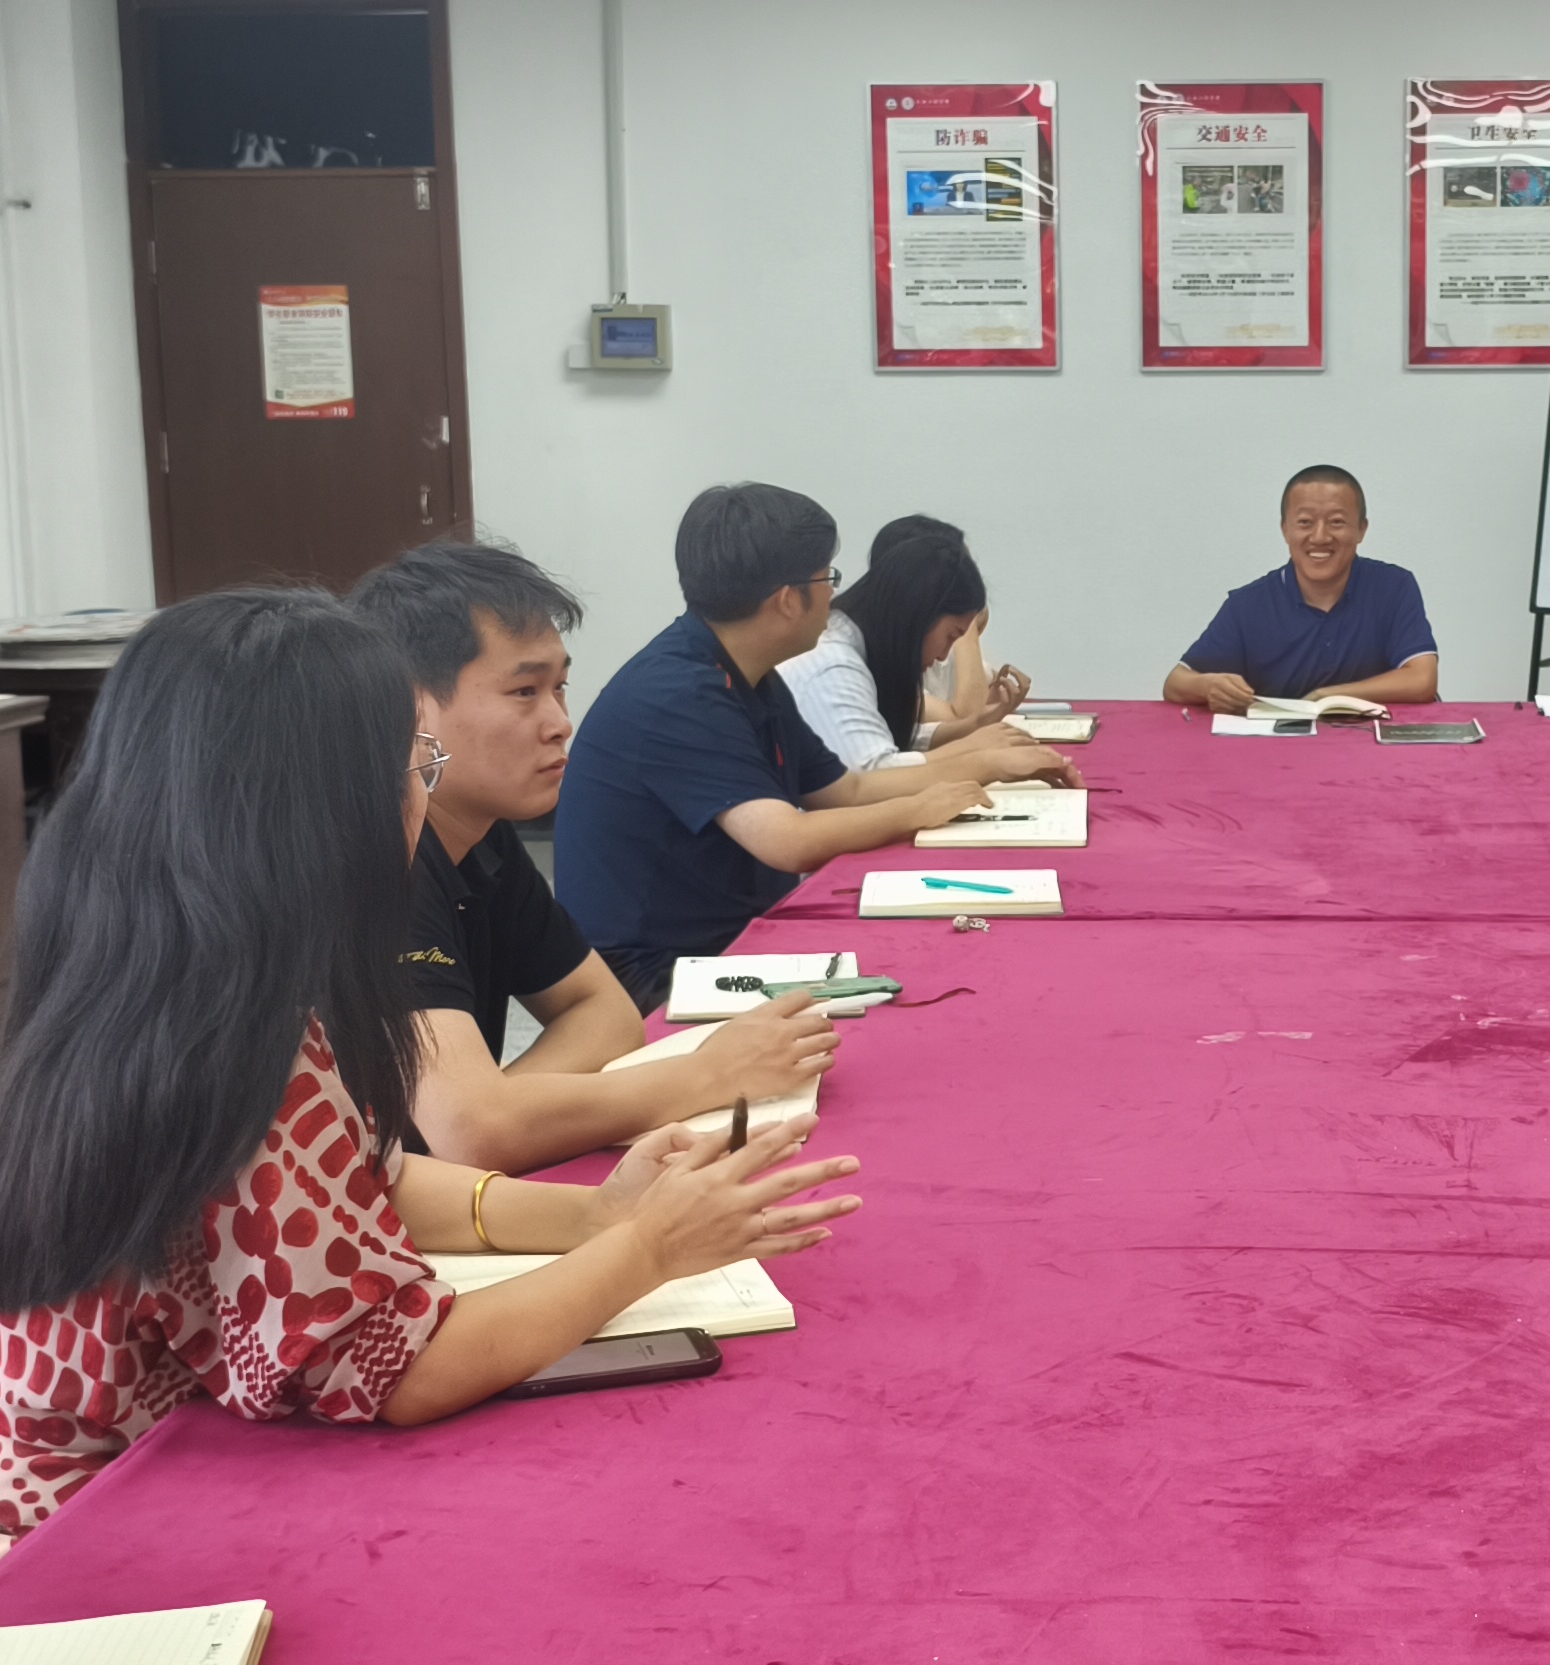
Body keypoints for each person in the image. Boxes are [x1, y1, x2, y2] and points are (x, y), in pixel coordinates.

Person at [0, 588, 861, 1530]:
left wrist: (595, 1216)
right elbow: (397, 1368)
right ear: (322, 813)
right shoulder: (227, 1038)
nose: (422, 789)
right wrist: (648, 1249)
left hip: (13, 1489)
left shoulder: (139, 970)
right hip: (92, 1533)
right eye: (415, 763)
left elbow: (363, 1176)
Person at [348, 539, 834, 1174]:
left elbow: (606, 1014)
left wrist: (502, 1106)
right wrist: (704, 1074)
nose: (560, 722)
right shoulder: (381, 854)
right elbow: (473, 1134)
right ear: (409, 705)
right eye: (524, 691)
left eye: (560, 687)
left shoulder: (481, 832)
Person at [562, 484, 1070, 1008]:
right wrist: (920, 807)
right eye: (828, 577)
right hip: (655, 973)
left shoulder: (749, 674)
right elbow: (787, 840)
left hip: (727, 938)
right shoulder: (680, 691)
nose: (834, 595)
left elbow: (847, 790)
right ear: (788, 599)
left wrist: (982, 766)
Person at [1162, 466, 1441, 712]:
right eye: (1305, 522)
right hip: (1282, 748)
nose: (1319, 537)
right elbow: (1176, 683)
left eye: (1336, 522)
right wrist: (1209, 686)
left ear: (1361, 530)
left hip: (1373, 746)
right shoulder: (1248, 605)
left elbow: (1422, 680)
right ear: (1285, 529)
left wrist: (1326, 697)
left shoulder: (1393, 587)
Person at [779, 515, 1031, 768]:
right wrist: (977, 756)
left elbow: (887, 737)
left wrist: (974, 726)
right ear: (919, 612)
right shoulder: (836, 663)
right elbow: (872, 772)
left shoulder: (864, 644)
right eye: (951, 635)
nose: (943, 655)